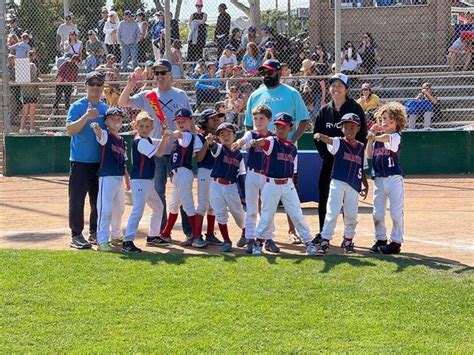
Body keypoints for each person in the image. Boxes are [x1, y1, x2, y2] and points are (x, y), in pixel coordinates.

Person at [118, 59, 194, 239]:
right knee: (159, 191)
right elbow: (123, 102)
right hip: (157, 151)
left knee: (183, 191)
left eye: (162, 72)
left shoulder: (180, 94)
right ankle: (161, 232)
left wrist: (192, 145)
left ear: (170, 74)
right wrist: (130, 85)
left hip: (177, 150)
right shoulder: (147, 95)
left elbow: (190, 123)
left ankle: (189, 232)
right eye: (156, 73)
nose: (159, 76)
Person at [244, 59, 311, 243]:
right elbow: (249, 125)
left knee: (289, 191)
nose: (266, 75)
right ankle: (263, 234)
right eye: (264, 72)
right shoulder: (256, 94)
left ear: (279, 72)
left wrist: (291, 141)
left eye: (270, 71)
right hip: (262, 153)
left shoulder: (292, 93)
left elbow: (304, 119)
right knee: (262, 194)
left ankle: (292, 230)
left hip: (285, 154)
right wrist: (251, 144)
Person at [249, 113, 318, 256]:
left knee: (297, 214)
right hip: (271, 184)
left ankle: (309, 243)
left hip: (288, 184)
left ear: (290, 128)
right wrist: (255, 142)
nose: (280, 130)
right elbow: (263, 142)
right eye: (277, 126)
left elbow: (294, 170)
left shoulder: (292, 148)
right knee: (267, 216)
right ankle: (257, 243)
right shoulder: (272, 141)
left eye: (283, 127)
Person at [312, 73, 367, 243]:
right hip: (329, 162)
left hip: (349, 163)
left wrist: (354, 158)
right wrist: (326, 155)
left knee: (348, 200)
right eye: (333, 86)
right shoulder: (324, 110)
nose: (336, 89)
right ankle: (323, 233)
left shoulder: (355, 108)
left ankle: (347, 237)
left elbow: (362, 135)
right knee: (325, 196)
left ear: (346, 89)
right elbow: (317, 135)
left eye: (340, 86)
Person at [313, 113, 369, 255]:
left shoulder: (361, 147)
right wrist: (320, 135)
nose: (349, 130)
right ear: (341, 128)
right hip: (338, 182)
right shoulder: (339, 142)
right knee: (332, 212)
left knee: (351, 214)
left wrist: (365, 184)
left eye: (352, 127)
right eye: (345, 127)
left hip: (354, 185)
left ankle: (348, 240)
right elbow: (329, 140)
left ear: (358, 128)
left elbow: (361, 168)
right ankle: (325, 240)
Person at [66, 71, 108, 249]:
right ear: (86, 86)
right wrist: (85, 117)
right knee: (77, 199)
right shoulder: (77, 106)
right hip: (80, 161)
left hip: (100, 162)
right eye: (92, 84)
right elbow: (70, 130)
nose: (96, 87)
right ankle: (76, 234)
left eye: (99, 84)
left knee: (98, 200)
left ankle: (94, 232)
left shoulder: (105, 109)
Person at [124, 112, 170, 252]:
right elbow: (160, 153)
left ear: (151, 127)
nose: (144, 128)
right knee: (138, 210)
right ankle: (128, 241)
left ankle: (153, 236)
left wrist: (165, 132)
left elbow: (162, 141)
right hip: (140, 181)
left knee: (158, 207)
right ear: (136, 126)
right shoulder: (141, 142)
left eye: (147, 126)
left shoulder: (148, 139)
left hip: (147, 182)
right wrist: (165, 137)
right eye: (141, 126)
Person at [232, 105, 276, 249]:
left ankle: (268, 238)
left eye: (262, 118)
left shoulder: (272, 136)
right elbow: (243, 139)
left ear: (269, 119)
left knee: (267, 208)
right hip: (251, 174)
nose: (258, 121)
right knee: (251, 208)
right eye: (255, 118)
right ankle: (250, 237)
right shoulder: (252, 134)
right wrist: (238, 143)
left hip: (267, 176)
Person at [366, 102, 407, 255]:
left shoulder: (395, 136)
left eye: (390, 120)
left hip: (393, 179)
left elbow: (386, 138)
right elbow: (369, 155)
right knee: (377, 213)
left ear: (398, 122)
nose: (386, 122)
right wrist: (370, 137)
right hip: (379, 179)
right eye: (383, 119)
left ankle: (396, 242)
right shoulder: (378, 140)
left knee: (396, 213)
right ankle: (381, 239)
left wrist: (375, 136)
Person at [158, 108, 203, 246]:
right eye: (178, 121)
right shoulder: (181, 138)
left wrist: (170, 132)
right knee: (173, 205)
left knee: (187, 205)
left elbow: (180, 135)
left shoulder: (187, 135)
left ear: (190, 121)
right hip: (177, 175)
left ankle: (197, 237)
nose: (180, 123)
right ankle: (165, 234)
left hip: (184, 173)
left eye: (183, 121)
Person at [90, 107, 130, 252]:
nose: (116, 121)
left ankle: (116, 235)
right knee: (105, 209)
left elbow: (123, 161)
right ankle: (102, 240)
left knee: (119, 208)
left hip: (119, 177)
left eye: (119, 118)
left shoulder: (122, 140)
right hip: (107, 177)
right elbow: (99, 134)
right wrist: (96, 127)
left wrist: (127, 178)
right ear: (106, 122)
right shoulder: (106, 135)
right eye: (113, 119)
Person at [207, 122, 247, 252]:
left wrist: (244, 194)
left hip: (231, 187)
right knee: (220, 213)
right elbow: (213, 148)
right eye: (222, 134)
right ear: (218, 137)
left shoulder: (239, 155)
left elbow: (241, 175)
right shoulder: (219, 148)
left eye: (229, 133)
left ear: (235, 135)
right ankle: (227, 241)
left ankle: (245, 233)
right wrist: (210, 143)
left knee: (238, 214)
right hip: (216, 185)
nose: (225, 136)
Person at [194, 109, 226, 246]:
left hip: (216, 172)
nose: (216, 121)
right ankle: (196, 237)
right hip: (205, 172)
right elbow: (199, 158)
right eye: (213, 119)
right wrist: (207, 143)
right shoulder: (200, 137)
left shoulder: (220, 136)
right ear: (205, 122)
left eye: (217, 119)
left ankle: (210, 234)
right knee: (203, 204)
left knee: (213, 205)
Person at [50, 54, 81, 119]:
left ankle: (67, 114)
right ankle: (52, 113)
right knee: (58, 97)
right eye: (77, 61)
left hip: (68, 84)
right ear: (73, 60)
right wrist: (64, 79)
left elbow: (75, 78)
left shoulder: (76, 68)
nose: (78, 62)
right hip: (61, 83)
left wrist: (74, 85)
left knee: (67, 99)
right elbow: (60, 72)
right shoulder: (66, 63)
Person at [19, 51, 41, 134]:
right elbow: (34, 77)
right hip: (32, 91)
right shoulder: (32, 65)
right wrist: (39, 80)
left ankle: (22, 128)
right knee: (32, 111)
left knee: (25, 111)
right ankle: (31, 128)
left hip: (24, 90)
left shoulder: (22, 65)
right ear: (33, 56)